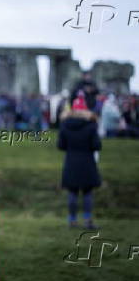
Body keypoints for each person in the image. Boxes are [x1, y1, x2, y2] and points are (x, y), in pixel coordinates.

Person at [58, 92, 102, 229]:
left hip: (71, 162)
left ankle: (72, 220)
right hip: (87, 162)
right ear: (85, 109)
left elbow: (61, 146)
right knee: (87, 193)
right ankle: (88, 221)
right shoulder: (91, 125)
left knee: (72, 192)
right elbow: (97, 145)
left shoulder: (65, 125)